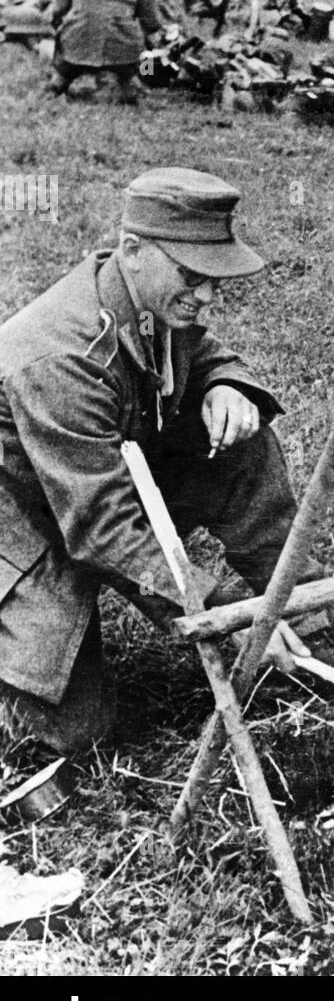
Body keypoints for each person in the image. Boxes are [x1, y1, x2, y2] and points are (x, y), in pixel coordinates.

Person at [0, 169, 313, 760]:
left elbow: (201, 348)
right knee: (74, 734)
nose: (207, 297)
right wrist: (219, 614)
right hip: (23, 522)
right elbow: (104, 528)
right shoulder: (61, 356)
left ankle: (304, 620)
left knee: (241, 439)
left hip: (92, 475)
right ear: (134, 250)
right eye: (192, 276)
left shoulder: (143, 294)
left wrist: (225, 384)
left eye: (215, 281)